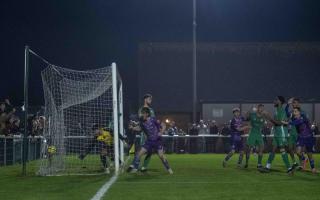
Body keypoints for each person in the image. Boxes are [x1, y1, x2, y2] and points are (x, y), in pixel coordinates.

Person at [128, 107, 173, 174]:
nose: (141, 115)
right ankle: (134, 168)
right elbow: (140, 129)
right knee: (139, 154)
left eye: (142, 113)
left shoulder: (153, 120)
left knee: (161, 156)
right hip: (149, 141)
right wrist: (133, 128)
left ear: (146, 114)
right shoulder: (142, 122)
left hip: (157, 141)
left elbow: (163, 125)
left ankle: (169, 169)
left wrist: (161, 132)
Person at [263, 96, 294, 174]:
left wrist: (269, 117)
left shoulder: (282, 111)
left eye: (276, 100)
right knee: (273, 150)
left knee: (282, 149)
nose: (274, 101)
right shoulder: (277, 110)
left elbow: (280, 123)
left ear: (280, 102)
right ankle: (267, 167)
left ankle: (289, 168)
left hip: (282, 132)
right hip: (277, 132)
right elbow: (275, 122)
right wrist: (269, 119)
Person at [283, 107, 316, 173]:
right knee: (298, 152)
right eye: (293, 111)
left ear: (299, 112)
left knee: (310, 154)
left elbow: (296, 122)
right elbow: (287, 113)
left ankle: (313, 168)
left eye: (295, 111)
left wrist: (286, 123)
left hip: (308, 137)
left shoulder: (303, 118)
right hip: (301, 137)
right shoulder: (294, 118)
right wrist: (287, 105)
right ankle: (304, 158)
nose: (294, 113)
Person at [244, 104, 267, 169]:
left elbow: (263, 124)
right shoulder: (252, 114)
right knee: (248, 149)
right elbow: (246, 119)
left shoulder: (263, 117)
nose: (262, 109)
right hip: (252, 133)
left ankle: (259, 164)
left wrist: (265, 124)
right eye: (260, 108)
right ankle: (246, 163)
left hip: (259, 134)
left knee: (261, 148)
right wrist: (248, 112)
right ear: (257, 108)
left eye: (263, 108)